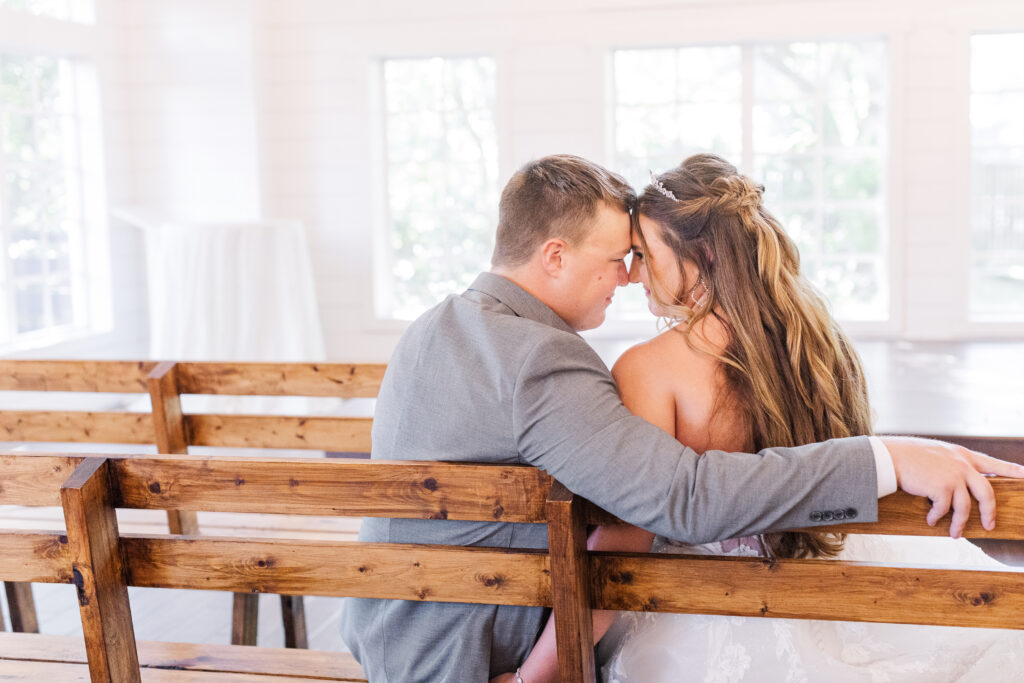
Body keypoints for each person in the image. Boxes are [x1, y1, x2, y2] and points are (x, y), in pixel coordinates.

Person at [339, 154, 1024, 683]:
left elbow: (640, 525)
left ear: (697, 258)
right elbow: (678, 498)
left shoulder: (433, 327)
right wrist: (885, 457)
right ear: (553, 255)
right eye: (618, 258)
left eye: (638, 255)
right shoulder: (809, 339)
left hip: (389, 620)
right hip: (455, 645)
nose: (629, 275)